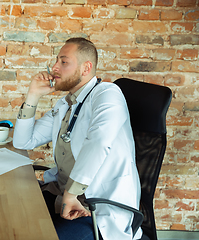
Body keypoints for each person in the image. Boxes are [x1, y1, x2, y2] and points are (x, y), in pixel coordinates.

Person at [13, 38, 142, 240]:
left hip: (94, 209)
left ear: (86, 68)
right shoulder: (65, 104)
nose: (54, 67)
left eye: (64, 62)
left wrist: (71, 193)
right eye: (57, 60)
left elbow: (98, 143)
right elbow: (23, 142)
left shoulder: (108, 94)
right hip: (64, 196)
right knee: (10, 214)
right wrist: (33, 95)